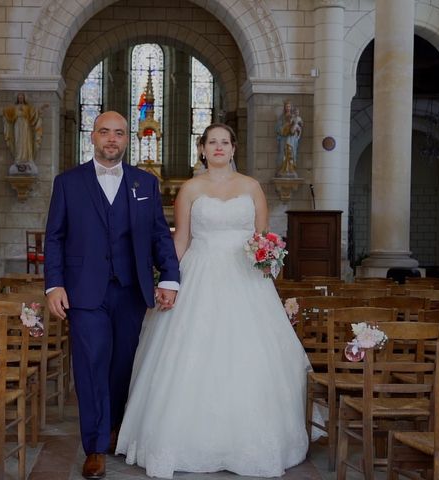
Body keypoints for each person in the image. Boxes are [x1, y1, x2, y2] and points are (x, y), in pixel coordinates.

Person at [116, 123, 312, 478]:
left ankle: (252, 441)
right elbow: (180, 241)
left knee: (249, 356)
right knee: (190, 353)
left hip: (246, 279)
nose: (219, 147)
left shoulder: (252, 187)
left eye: (225, 142)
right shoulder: (191, 188)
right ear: (202, 149)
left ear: (233, 149)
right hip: (200, 274)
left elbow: (262, 237)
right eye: (212, 142)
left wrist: (268, 260)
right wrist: (167, 281)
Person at [43, 111, 180, 479]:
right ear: (93, 136)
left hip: (131, 289)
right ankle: (95, 446)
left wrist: (170, 277)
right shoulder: (68, 183)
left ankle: (114, 426)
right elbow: (54, 237)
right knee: (91, 365)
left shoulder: (145, 184)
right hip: (84, 292)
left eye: (119, 133)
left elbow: (158, 236)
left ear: (127, 139)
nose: (112, 139)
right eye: (105, 132)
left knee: (122, 366)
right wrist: (53, 285)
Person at [0, 92, 46, 174]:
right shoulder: (14, 108)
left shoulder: (27, 107)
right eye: (19, 97)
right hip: (17, 125)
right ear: (17, 98)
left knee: (25, 142)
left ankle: (27, 158)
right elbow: (6, 112)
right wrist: (0, 110)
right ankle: (18, 159)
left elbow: (35, 112)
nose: (20, 98)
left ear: (24, 98)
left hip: (26, 126)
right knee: (18, 142)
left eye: (22, 97)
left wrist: (41, 108)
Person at [275, 100, 302, 176]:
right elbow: (277, 128)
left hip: (292, 139)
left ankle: (291, 169)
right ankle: (283, 169)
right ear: (284, 107)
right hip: (284, 138)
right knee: (284, 152)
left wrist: (295, 129)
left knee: (291, 152)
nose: (288, 108)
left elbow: (299, 127)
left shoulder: (294, 117)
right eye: (287, 106)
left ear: (291, 107)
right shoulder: (282, 117)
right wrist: (285, 128)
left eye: (289, 106)